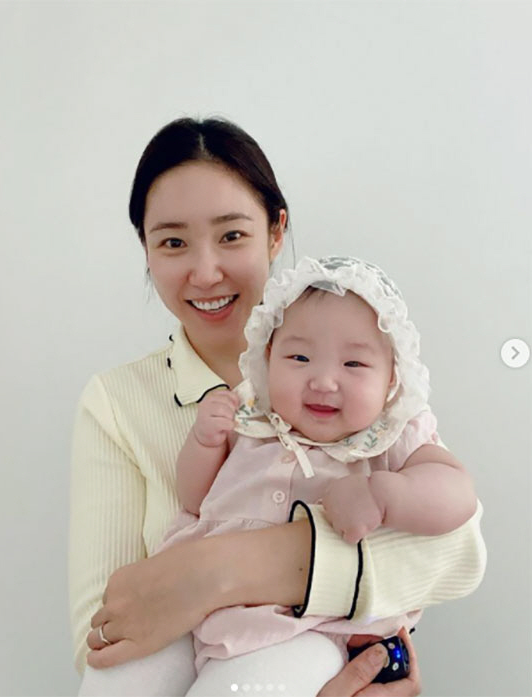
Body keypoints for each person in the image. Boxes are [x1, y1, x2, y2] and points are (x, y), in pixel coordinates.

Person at [69, 117, 486, 696]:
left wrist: (211, 572)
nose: (205, 272)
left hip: (297, 647)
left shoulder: (374, 411)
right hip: (184, 650)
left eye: (231, 235)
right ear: (145, 248)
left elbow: (458, 555)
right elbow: (105, 632)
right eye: (173, 242)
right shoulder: (127, 403)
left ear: (275, 231)